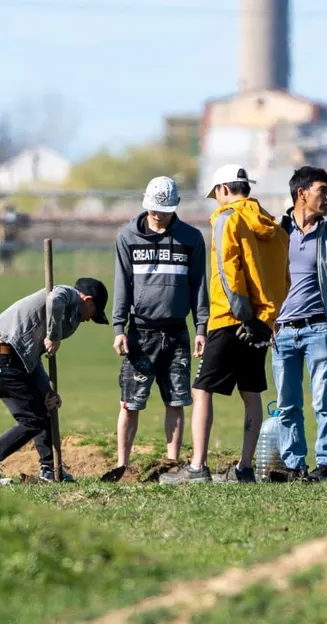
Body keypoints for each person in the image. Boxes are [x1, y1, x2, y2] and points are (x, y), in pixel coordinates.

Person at [159, 164, 290, 485]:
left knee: (201, 390)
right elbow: (283, 277)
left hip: (229, 317)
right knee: (251, 392)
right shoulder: (272, 225)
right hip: (261, 322)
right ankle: (245, 470)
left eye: (216, 194)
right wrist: (265, 318)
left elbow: (228, 270)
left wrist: (243, 313)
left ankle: (197, 468)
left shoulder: (226, 218)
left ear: (223, 189)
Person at [0, 278, 110, 485]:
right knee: (32, 419)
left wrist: (47, 390)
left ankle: (50, 471)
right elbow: (54, 299)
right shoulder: (67, 293)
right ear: (87, 300)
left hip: (10, 358)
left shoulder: (63, 313)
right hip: (0, 357)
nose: (87, 320)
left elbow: (30, 357)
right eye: (92, 314)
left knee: (45, 406)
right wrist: (55, 335)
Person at [108, 176, 209, 475]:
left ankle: (172, 463)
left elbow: (199, 286)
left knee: (176, 400)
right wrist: (119, 328)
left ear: (175, 207)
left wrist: (200, 328)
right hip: (140, 333)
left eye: (162, 209)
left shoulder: (191, 239)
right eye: (152, 208)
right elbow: (122, 285)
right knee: (130, 403)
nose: (156, 214)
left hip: (177, 331)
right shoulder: (126, 238)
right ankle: (121, 465)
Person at [271, 166, 327, 483]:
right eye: (323, 190)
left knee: (323, 400)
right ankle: (294, 466)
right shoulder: (276, 233)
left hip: (319, 328)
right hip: (281, 331)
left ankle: (326, 465)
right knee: (287, 403)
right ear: (301, 193)